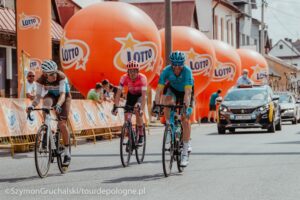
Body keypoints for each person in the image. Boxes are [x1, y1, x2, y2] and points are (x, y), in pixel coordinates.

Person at [152, 51, 194, 167]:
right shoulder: (166, 71)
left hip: (186, 92)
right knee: (167, 101)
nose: (176, 68)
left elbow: (188, 93)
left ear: (183, 64)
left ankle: (185, 151)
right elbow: (159, 90)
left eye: (179, 65)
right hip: (173, 90)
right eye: (174, 65)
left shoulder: (187, 72)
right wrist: (156, 104)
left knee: (185, 119)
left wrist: (186, 106)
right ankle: (169, 125)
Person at [26, 60, 72, 166]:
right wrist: (32, 106)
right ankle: (47, 128)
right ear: (45, 75)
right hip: (51, 96)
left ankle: (67, 152)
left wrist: (58, 105)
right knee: (45, 103)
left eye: (55, 72)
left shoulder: (61, 76)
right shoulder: (40, 80)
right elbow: (37, 97)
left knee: (62, 124)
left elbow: (62, 95)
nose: (54, 76)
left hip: (64, 97)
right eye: (51, 74)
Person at [112, 60, 147, 146]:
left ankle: (141, 135)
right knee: (127, 116)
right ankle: (131, 135)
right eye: (130, 71)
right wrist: (115, 106)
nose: (132, 73)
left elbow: (144, 96)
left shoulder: (142, 78)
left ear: (138, 71)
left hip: (139, 96)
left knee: (137, 110)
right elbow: (118, 93)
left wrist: (141, 109)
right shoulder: (124, 78)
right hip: (131, 95)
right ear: (128, 72)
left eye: (134, 71)